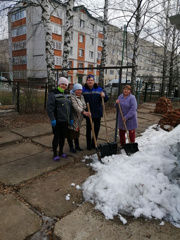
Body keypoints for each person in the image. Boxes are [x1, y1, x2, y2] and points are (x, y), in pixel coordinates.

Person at [47, 77, 72, 161]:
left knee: (63, 137)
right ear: (58, 84)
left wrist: (71, 118)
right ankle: (55, 154)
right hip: (57, 121)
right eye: (62, 84)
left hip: (65, 121)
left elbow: (70, 107)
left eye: (65, 84)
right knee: (56, 137)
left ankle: (61, 152)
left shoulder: (67, 94)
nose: (63, 86)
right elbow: (49, 107)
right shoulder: (53, 93)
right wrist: (52, 119)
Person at [82, 74, 109, 150]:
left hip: (97, 112)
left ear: (94, 81)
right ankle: (88, 145)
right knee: (88, 129)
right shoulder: (83, 89)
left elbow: (106, 99)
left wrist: (104, 96)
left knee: (96, 129)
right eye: (88, 80)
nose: (90, 81)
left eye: (91, 80)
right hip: (88, 113)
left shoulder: (100, 89)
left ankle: (94, 143)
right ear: (86, 81)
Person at [67, 83, 91, 153]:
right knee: (71, 132)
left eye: (80, 90)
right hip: (72, 117)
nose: (79, 91)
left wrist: (84, 110)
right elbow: (76, 107)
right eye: (78, 90)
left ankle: (77, 146)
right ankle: (71, 147)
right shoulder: (72, 97)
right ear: (74, 90)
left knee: (76, 132)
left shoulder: (81, 96)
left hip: (79, 118)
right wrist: (84, 112)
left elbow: (84, 105)